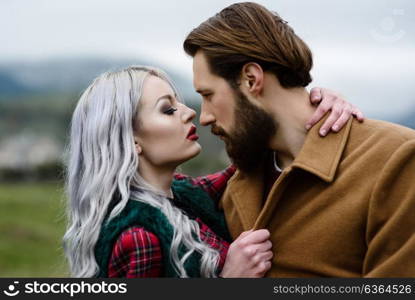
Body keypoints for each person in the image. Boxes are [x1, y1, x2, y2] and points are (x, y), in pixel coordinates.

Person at [183, 2, 415, 277]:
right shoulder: (235, 186)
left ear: (250, 79)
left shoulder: (397, 159)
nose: (205, 116)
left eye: (208, 95)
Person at [62, 65, 361, 278]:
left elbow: (255, 163)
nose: (190, 111)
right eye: (168, 109)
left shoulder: (184, 196)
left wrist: (314, 106)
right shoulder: (138, 237)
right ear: (131, 140)